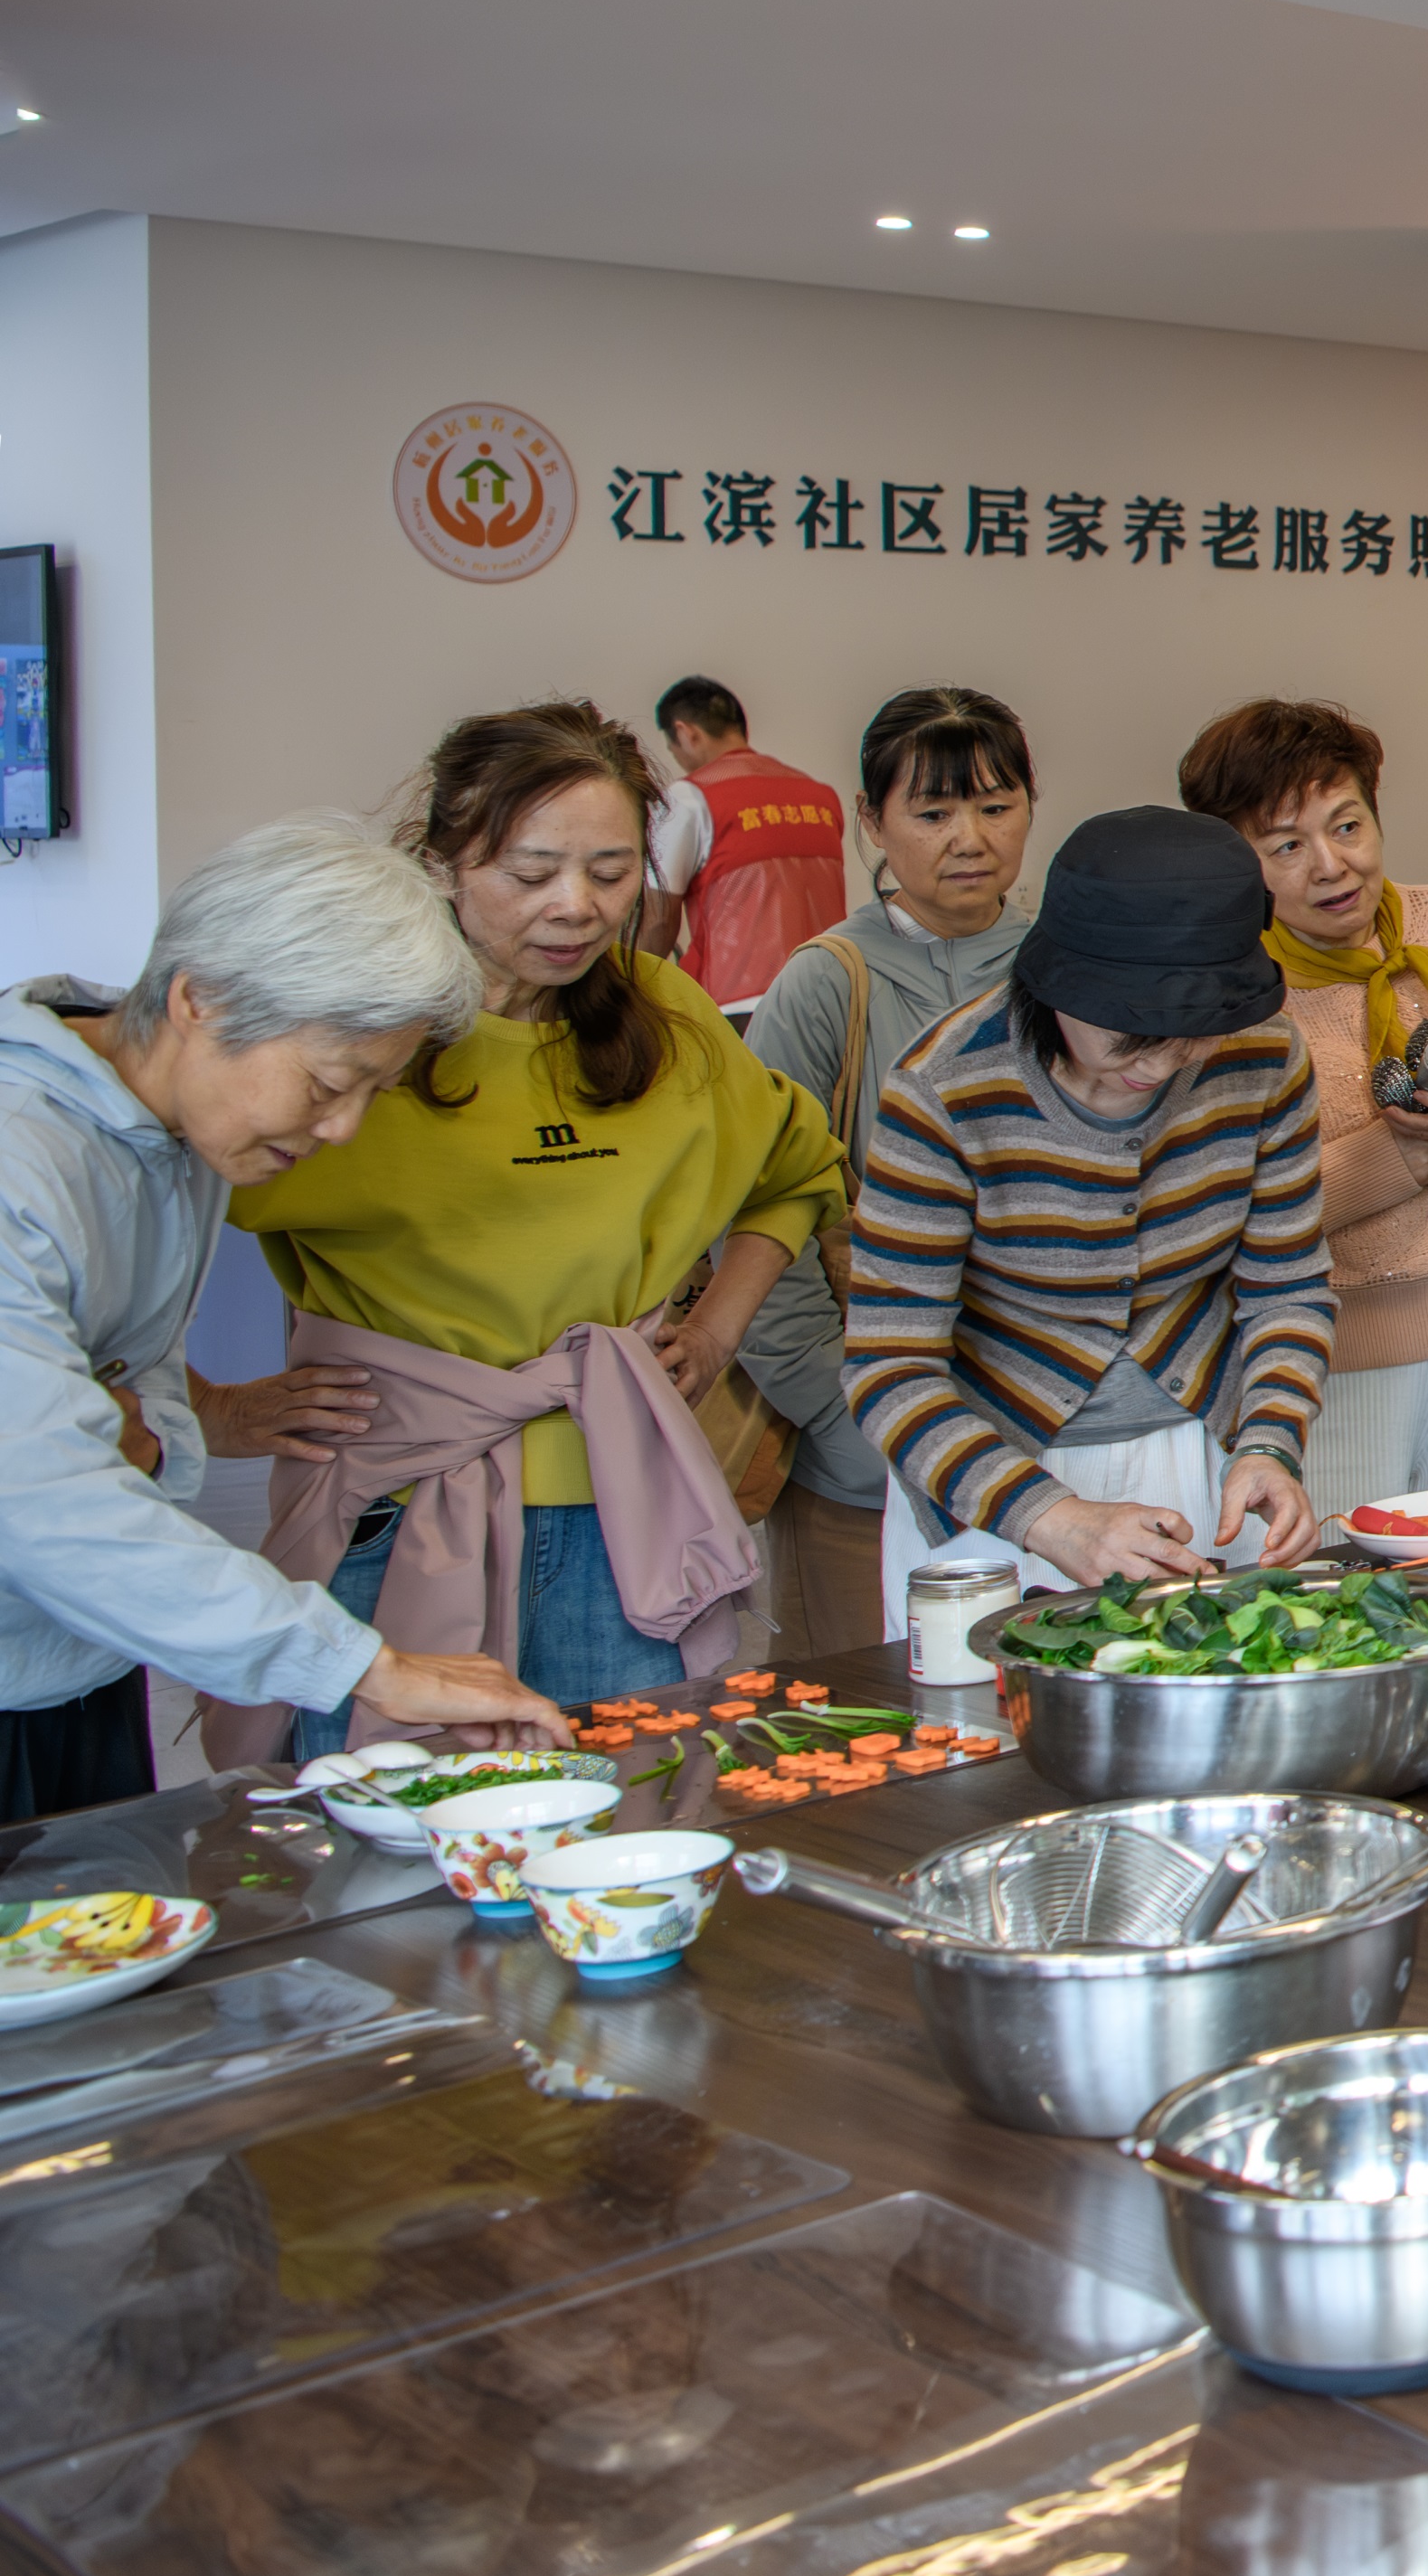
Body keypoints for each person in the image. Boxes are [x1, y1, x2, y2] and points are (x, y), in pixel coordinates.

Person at [223, 703, 843, 1760]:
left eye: (610, 872)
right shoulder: (353, 1028)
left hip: (619, 1503)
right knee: (393, 1811)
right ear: (441, 863)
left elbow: (796, 1171)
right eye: (532, 872)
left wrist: (716, 1330)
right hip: (398, 1499)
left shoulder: (665, 1015)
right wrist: (213, 1407)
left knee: (634, 1796)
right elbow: (149, 1204)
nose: (577, 907)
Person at [1, 820, 574, 1819]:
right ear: (199, 1000)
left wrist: (161, 1427)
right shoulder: (23, 1157)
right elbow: (45, 1498)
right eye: (327, 1085)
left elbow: (118, 1386)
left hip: (83, 1658)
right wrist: (365, 1665)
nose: (341, 1129)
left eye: (370, 1094)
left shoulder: (172, 1129)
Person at [846, 808, 1332, 1592]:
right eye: (1133, 1036)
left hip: (1198, 1459)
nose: (1167, 1065)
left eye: (1197, 1033)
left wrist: (1271, 1440)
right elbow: (888, 1365)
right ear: (1058, 989)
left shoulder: (1265, 1059)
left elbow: (1289, 1287)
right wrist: (1053, 1519)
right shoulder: (945, 1088)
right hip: (991, 1482)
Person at [1181, 697, 1428, 1519]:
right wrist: (1399, 1158)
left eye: (1347, 826)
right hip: (1322, 1366)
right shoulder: (1226, 999)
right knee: (1347, 1586)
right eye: (1286, 846)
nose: (1332, 865)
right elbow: (1216, 1205)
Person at [734, 688, 1037, 1651]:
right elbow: (761, 1210)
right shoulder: (828, 980)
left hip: (1044, 1446)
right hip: (864, 1457)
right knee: (871, 1707)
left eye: (996, 806)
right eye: (933, 812)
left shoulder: (1060, 970)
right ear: (871, 821)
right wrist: (834, 1410)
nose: (970, 839)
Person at [638, 675, 850, 1024]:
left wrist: (629, 990)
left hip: (739, 1006)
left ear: (685, 732)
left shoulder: (690, 797)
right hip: (834, 999)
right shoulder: (820, 795)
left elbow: (658, 919)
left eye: (671, 746)